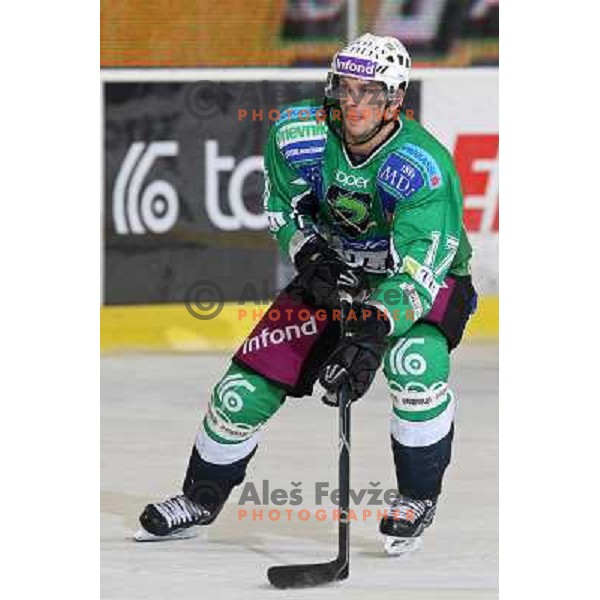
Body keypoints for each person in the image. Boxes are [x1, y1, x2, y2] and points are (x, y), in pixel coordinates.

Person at [135, 33, 477, 556]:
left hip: (422, 283)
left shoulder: (421, 167)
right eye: (346, 88)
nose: (355, 103)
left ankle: (416, 497)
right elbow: (282, 209)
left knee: (412, 364)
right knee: (240, 392)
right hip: (335, 273)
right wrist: (308, 255)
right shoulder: (300, 133)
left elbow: (417, 275)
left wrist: (370, 333)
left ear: (396, 99)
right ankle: (199, 500)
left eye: (371, 91)